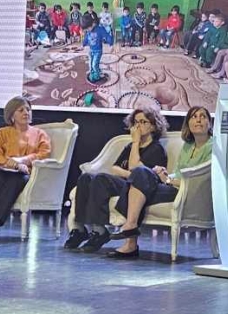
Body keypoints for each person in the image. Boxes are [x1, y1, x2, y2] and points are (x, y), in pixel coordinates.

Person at [109, 105, 215, 258]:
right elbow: (177, 173)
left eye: (203, 116)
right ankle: (130, 233)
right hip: (174, 186)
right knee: (141, 179)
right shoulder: (188, 146)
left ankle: (130, 228)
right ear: (188, 123)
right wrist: (164, 174)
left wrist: (168, 180)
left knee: (141, 175)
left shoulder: (213, 147)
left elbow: (197, 180)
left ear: (209, 123)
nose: (198, 120)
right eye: (194, 117)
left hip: (188, 193)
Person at [65, 107, 168, 253]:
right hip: (125, 181)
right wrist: (129, 173)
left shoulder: (156, 148)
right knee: (85, 178)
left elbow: (135, 168)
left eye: (143, 122)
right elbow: (115, 168)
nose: (138, 126)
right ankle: (80, 229)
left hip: (137, 188)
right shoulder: (129, 146)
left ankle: (100, 231)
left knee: (101, 179)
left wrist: (135, 143)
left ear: (153, 126)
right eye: (135, 122)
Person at [0, 97, 53, 241]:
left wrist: (22, 161)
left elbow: (43, 154)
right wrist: (12, 163)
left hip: (23, 173)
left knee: (17, 179)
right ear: (11, 115)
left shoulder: (40, 134)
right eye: (21, 110)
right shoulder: (2, 132)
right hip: (1, 169)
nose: (26, 113)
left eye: (28, 109)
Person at [84, 11, 115, 83]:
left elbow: (107, 36)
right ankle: (94, 73)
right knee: (90, 64)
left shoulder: (100, 29)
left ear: (93, 23)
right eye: (86, 29)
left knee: (94, 64)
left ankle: (98, 77)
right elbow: (87, 37)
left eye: (87, 28)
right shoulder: (88, 30)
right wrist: (83, 44)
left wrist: (111, 44)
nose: (87, 30)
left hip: (98, 51)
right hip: (91, 50)